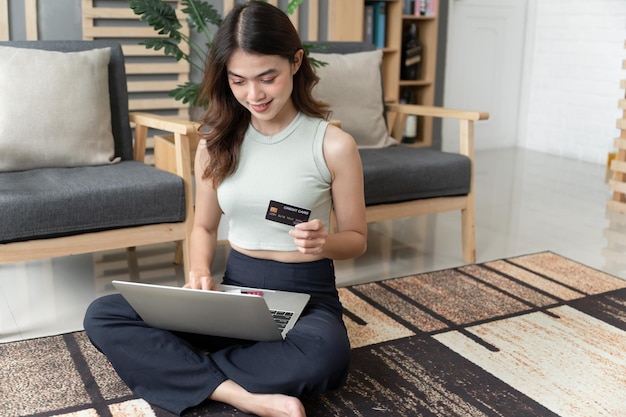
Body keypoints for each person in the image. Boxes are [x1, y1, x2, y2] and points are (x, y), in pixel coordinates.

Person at [83, 1, 367, 416]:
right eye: (239, 81)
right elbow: (203, 228)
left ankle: (177, 370)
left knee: (326, 356)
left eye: (267, 77)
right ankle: (240, 395)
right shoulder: (216, 144)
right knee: (104, 314)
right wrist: (198, 273)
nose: (254, 94)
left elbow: (357, 240)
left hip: (306, 299)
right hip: (234, 295)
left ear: (296, 62)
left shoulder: (334, 145)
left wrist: (323, 243)